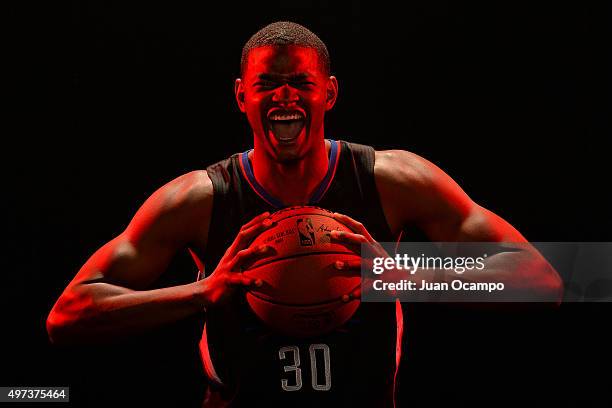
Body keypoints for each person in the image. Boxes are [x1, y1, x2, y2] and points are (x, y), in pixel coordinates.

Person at [47, 21, 562, 407]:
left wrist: (406, 276)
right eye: (268, 83)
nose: (285, 95)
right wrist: (201, 292)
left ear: (330, 92)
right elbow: (67, 315)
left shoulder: (391, 180)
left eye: (301, 82)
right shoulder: (199, 199)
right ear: (241, 95)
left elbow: (541, 278)